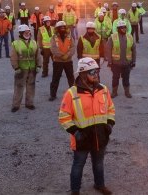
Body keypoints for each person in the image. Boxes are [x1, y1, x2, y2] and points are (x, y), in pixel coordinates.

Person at [59, 57, 115, 195]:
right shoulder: (72, 93)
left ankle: (99, 185)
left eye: (97, 71)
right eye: (92, 72)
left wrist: (109, 125)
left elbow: (111, 109)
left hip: (100, 136)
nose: (96, 74)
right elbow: (63, 116)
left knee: (98, 164)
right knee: (78, 165)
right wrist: (75, 132)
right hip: (81, 138)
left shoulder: (103, 90)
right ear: (83, 74)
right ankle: (75, 190)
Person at [10, 25, 39, 112]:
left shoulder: (34, 42)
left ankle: (29, 103)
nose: (27, 34)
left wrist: (39, 65)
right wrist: (16, 67)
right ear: (21, 33)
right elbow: (13, 57)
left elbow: (38, 55)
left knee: (31, 86)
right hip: (21, 69)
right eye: (25, 32)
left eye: (28, 32)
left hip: (32, 68)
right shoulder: (16, 43)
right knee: (19, 87)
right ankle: (16, 105)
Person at [106, 20, 136, 98]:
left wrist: (133, 61)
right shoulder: (112, 37)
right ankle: (114, 92)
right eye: (122, 28)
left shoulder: (130, 36)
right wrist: (109, 61)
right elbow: (108, 49)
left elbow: (134, 50)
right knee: (115, 78)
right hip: (115, 63)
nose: (124, 29)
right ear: (118, 28)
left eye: (125, 27)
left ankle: (127, 92)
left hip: (127, 63)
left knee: (126, 78)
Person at [49, 21, 75, 101]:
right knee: (55, 78)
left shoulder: (70, 37)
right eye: (61, 27)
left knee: (71, 78)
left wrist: (68, 55)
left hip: (68, 61)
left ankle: (74, 94)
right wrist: (62, 55)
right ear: (57, 29)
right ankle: (53, 95)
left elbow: (73, 47)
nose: (62, 29)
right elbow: (53, 48)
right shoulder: (54, 38)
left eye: (64, 27)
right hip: (58, 61)